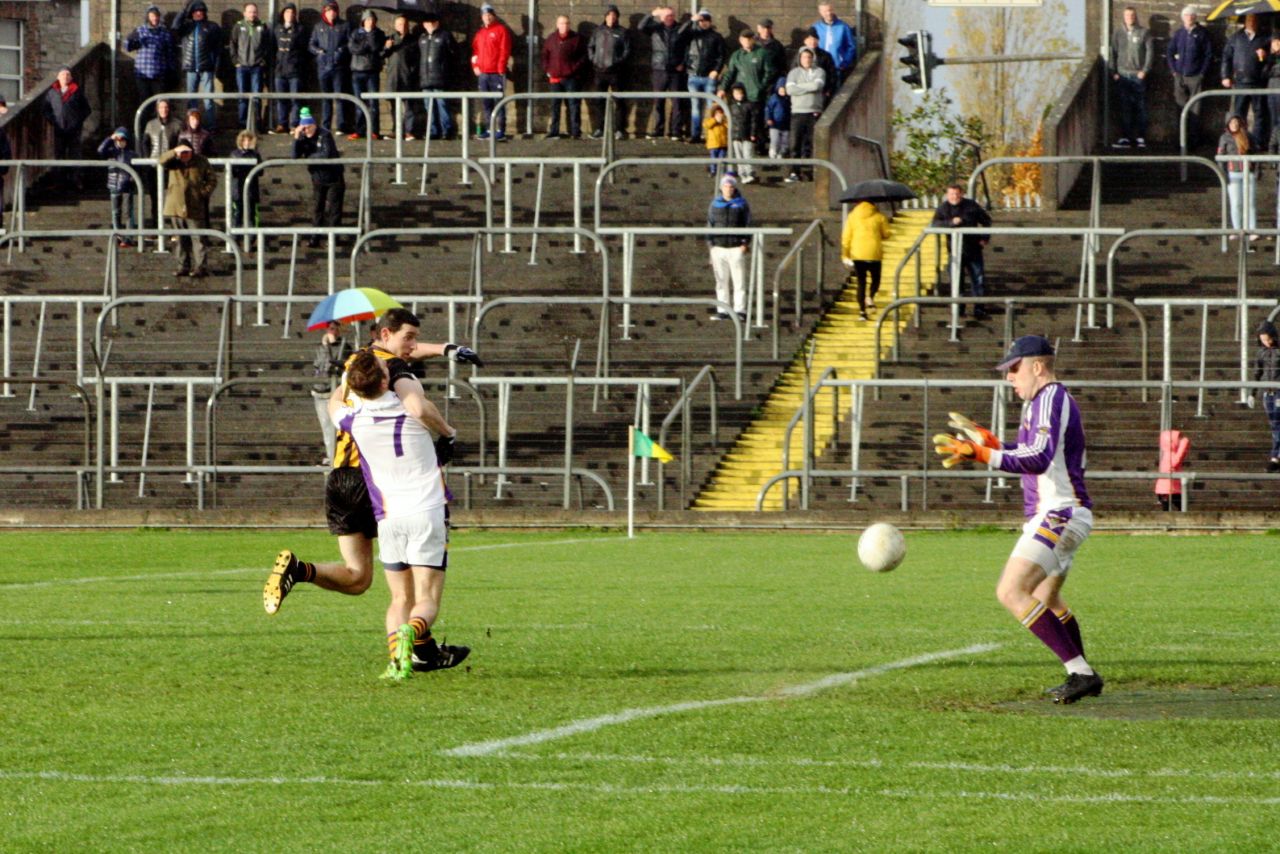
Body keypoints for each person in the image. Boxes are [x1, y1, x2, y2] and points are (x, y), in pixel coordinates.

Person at [264, 310, 482, 667]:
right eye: (408, 338)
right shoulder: (396, 380)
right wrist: (448, 433)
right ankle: (419, 645)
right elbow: (415, 404)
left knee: (358, 578)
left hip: (341, 479)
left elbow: (338, 400)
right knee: (416, 593)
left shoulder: (357, 372)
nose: (412, 347)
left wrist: (445, 348)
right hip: (383, 490)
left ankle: (300, 571)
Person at [933, 335, 1102, 705]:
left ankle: (1081, 673)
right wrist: (996, 446)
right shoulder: (1042, 403)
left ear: (1037, 367)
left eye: (1014, 368)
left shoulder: (1051, 398)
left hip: (1060, 513)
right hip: (1063, 511)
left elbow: (1038, 458)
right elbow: (1032, 452)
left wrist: (982, 454)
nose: (1009, 376)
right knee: (1046, 597)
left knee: (1011, 591)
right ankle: (1082, 673)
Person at [327, 349, 464, 680]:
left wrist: (347, 380)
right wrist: (448, 433)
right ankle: (414, 632)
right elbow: (424, 408)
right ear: (386, 379)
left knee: (399, 597)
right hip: (427, 512)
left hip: (388, 518)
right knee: (426, 599)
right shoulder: (410, 409)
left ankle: (396, 662)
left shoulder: (351, 418)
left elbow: (334, 403)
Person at [931, 184, 992, 318]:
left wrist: (985, 238)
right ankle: (959, 309)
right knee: (956, 281)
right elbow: (934, 224)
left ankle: (979, 309)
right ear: (947, 195)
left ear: (962, 194)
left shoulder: (971, 206)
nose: (954, 197)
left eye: (957, 194)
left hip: (973, 249)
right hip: (954, 251)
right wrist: (951, 222)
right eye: (952, 194)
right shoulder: (943, 208)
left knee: (978, 280)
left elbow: (986, 220)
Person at [159, 142, 217, 278]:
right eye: (182, 153)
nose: (185, 155)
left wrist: (203, 193)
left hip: (195, 204)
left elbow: (212, 179)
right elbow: (161, 160)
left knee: (198, 238)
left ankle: (200, 267)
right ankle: (182, 266)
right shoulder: (173, 161)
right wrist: (174, 151)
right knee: (179, 239)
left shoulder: (201, 161)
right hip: (175, 206)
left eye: (187, 152)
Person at [719, 29, 775, 165]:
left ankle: (760, 146)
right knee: (741, 120)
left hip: (756, 95)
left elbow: (769, 72)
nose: (747, 42)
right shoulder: (737, 55)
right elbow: (730, 73)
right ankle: (742, 146)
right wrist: (722, 88)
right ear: (740, 40)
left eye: (749, 39)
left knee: (757, 120)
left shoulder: (762, 53)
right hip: (741, 95)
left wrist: (761, 86)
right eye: (744, 39)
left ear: (753, 40)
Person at [292, 112, 344, 248]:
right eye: (303, 128)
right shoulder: (303, 137)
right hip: (317, 177)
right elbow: (294, 156)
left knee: (334, 209)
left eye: (309, 127)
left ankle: (334, 238)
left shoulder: (324, 134)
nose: (306, 130)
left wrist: (309, 158)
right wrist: (297, 138)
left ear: (314, 125)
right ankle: (315, 237)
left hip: (334, 176)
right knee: (317, 208)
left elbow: (325, 154)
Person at [706, 173, 751, 322]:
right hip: (718, 247)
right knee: (720, 281)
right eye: (726, 186)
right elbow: (710, 224)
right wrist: (710, 246)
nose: (729, 189)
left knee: (738, 281)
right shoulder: (715, 204)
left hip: (735, 246)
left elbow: (748, 223)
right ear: (721, 188)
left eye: (731, 186)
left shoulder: (741, 203)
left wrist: (745, 243)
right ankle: (723, 309)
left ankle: (740, 310)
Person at [173, 0, 223, 132]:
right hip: (190, 68)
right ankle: (191, 125)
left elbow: (218, 48)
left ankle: (211, 126)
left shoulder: (211, 27)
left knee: (208, 99)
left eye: (201, 11)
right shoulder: (187, 27)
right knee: (191, 100)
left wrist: (216, 66)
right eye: (195, 11)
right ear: (192, 13)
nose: (198, 13)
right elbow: (175, 27)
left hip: (207, 68)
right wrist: (184, 10)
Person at [1166, 5, 1212, 147]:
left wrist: (1202, 73)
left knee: (1195, 109)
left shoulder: (1202, 33)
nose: (1189, 17)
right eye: (1187, 15)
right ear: (1183, 17)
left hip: (1195, 77)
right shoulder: (1179, 33)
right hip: (1180, 76)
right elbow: (1169, 52)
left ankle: (1193, 141)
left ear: (1195, 17)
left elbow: (1208, 55)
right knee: (1180, 108)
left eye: (1192, 15)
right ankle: (1181, 141)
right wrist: (1174, 71)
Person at [1108, 6, 1152, 149]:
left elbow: (1150, 53)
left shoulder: (1144, 33)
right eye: (1127, 15)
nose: (1130, 18)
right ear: (1124, 17)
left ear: (1136, 16)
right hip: (1122, 75)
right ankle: (1126, 137)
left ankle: (1140, 137)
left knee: (1140, 107)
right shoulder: (1118, 33)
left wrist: (1144, 70)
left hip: (1138, 75)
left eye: (1132, 15)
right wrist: (1113, 72)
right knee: (1124, 107)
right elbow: (1112, 52)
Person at [126, 5, 178, 125]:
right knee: (144, 103)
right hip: (142, 74)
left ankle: (160, 127)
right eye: (152, 15)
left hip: (158, 74)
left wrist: (172, 71)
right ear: (148, 17)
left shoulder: (164, 33)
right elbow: (128, 47)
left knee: (160, 104)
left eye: (156, 16)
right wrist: (131, 39)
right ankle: (143, 129)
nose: (154, 18)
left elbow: (170, 53)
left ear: (159, 17)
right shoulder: (140, 30)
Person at [640, 6, 686, 139]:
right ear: (661, 17)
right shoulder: (655, 28)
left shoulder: (680, 29)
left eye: (671, 15)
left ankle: (676, 131)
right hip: (659, 69)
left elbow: (687, 47)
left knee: (677, 102)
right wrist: (651, 13)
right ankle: (658, 130)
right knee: (658, 102)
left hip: (675, 71)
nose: (669, 18)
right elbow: (641, 27)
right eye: (666, 16)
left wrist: (682, 63)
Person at [1221, 14, 1269, 143]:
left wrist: (1266, 56)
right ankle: (1240, 142)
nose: (1252, 22)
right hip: (1241, 81)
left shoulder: (1264, 38)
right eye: (1249, 20)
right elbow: (1226, 57)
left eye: (1254, 20)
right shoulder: (1236, 38)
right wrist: (1225, 75)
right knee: (1238, 114)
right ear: (1245, 21)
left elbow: (1273, 59)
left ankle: (1258, 142)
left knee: (1260, 114)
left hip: (1258, 81)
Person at [42, 66, 92, 190]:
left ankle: (76, 180)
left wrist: (77, 121)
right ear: (58, 77)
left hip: (74, 129)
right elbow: (46, 109)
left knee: (75, 154)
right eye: (63, 74)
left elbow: (86, 110)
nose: (65, 77)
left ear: (71, 77)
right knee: (59, 154)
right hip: (59, 128)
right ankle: (58, 181)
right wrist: (53, 121)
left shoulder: (77, 91)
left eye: (68, 75)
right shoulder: (52, 92)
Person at [680, 9, 724, 144]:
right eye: (701, 20)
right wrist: (691, 20)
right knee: (695, 107)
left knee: (711, 107)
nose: (703, 23)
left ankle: (711, 134)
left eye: (705, 20)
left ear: (710, 22)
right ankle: (695, 134)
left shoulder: (716, 37)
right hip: (693, 75)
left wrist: (716, 70)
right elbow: (680, 33)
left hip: (709, 77)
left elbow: (721, 56)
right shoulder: (691, 35)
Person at [841, 199, 890, 320]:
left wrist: (845, 255)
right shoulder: (879, 216)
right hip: (874, 253)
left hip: (857, 254)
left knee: (861, 283)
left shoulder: (852, 216)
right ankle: (871, 297)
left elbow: (846, 237)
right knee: (876, 279)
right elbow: (887, 234)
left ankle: (862, 312)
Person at [587, 5, 630, 139]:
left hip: (616, 73)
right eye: (609, 15)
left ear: (617, 17)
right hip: (599, 72)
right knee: (599, 102)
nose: (611, 18)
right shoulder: (598, 31)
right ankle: (599, 128)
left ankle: (620, 130)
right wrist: (594, 60)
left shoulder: (622, 32)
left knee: (619, 102)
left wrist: (617, 62)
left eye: (614, 15)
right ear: (605, 17)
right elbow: (590, 47)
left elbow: (627, 51)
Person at [542, 15, 587, 139]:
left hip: (571, 78)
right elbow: (545, 55)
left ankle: (575, 132)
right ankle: (554, 131)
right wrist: (547, 70)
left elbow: (583, 57)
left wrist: (573, 69)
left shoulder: (577, 38)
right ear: (557, 25)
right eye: (562, 23)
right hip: (555, 78)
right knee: (555, 105)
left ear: (570, 24)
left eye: (566, 23)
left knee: (573, 105)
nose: (564, 26)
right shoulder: (551, 39)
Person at [472, 4, 513, 140]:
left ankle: (501, 130)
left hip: (496, 73)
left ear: (493, 16)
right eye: (484, 15)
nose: (487, 17)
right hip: (483, 74)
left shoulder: (501, 30)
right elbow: (475, 52)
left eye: (489, 15)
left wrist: (501, 68)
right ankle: (490, 129)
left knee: (499, 102)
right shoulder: (480, 33)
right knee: (486, 103)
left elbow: (504, 50)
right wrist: (475, 65)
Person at [312, 320, 351, 462]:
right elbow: (322, 367)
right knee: (327, 428)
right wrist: (325, 347)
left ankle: (339, 457)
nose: (332, 331)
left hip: (338, 391)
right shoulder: (320, 348)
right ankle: (332, 457)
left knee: (339, 427)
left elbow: (344, 366)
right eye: (329, 329)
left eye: (334, 328)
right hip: (322, 391)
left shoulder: (345, 346)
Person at [784, 47, 825, 182]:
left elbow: (817, 86)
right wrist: (808, 86)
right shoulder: (794, 73)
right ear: (799, 58)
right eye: (804, 57)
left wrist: (800, 87)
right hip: (798, 112)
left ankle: (810, 172)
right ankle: (794, 172)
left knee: (811, 145)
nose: (806, 60)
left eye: (809, 57)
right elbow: (789, 90)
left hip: (814, 112)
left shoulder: (819, 71)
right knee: (795, 144)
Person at [311, 0, 351, 134]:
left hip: (339, 67)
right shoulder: (318, 27)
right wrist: (319, 52)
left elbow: (350, 44)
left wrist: (341, 51)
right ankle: (326, 125)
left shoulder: (344, 25)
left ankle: (341, 126)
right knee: (326, 98)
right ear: (324, 12)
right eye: (328, 10)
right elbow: (311, 44)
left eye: (333, 10)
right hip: (323, 67)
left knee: (339, 97)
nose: (331, 13)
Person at [231, 3, 273, 130]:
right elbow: (232, 44)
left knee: (256, 97)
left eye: (254, 12)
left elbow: (267, 45)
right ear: (244, 13)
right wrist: (235, 61)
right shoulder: (238, 26)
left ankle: (256, 124)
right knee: (242, 97)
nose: (252, 14)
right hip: (242, 66)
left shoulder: (262, 26)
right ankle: (242, 123)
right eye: (249, 12)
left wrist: (262, 61)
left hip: (257, 67)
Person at [142, 99, 183, 225]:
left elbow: (180, 144)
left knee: (171, 198)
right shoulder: (150, 124)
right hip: (153, 166)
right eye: (161, 107)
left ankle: (173, 228)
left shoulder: (177, 124)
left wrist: (174, 159)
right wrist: (147, 159)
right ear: (157, 109)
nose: (163, 110)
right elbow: (145, 143)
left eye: (166, 107)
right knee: (155, 198)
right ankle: (156, 225)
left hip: (171, 166)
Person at [418, 11, 457, 140]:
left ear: (437, 23)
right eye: (426, 22)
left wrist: (447, 70)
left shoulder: (445, 36)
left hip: (440, 76)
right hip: (425, 77)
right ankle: (432, 131)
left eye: (431, 22)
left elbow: (454, 54)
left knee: (442, 104)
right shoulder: (422, 38)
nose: (429, 25)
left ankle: (447, 130)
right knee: (428, 106)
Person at [98, 128, 139, 248]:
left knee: (128, 213)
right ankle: (118, 235)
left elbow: (138, 169)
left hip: (127, 187)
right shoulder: (111, 152)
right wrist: (110, 139)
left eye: (123, 139)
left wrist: (131, 180)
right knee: (116, 212)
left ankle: (128, 238)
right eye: (118, 139)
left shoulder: (131, 154)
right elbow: (100, 150)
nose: (120, 141)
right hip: (114, 186)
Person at [348, 9, 386, 140]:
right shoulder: (355, 33)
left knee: (373, 104)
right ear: (363, 21)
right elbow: (353, 49)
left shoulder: (379, 33)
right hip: (357, 70)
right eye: (368, 19)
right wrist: (366, 45)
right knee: (358, 103)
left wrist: (369, 38)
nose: (370, 22)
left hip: (372, 71)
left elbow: (376, 48)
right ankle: (359, 130)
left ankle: (374, 131)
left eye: (372, 20)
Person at [1219, 114, 1257, 236]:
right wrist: (1223, 173)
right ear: (1228, 125)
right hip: (1233, 173)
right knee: (1236, 203)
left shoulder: (1248, 136)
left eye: (1236, 122)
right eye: (1232, 122)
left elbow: (1255, 153)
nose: (1234, 125)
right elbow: (1220, 156)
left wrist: (1256, 170)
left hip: (1248, 172)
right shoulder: (1224, 138)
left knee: (1250, 203)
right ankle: (1236, 229)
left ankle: (1252, 230)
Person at [383, 15, 420, 139]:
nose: (402, 27)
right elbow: (381, 55)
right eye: (399, 24)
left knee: (409, 105)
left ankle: (409, 131)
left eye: (404, 24)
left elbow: (417, 59)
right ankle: (396, 130)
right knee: (394, 106)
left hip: (407, 76)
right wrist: (386, 47)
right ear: (395, 26)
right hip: (393, 76)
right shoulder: (390, 39)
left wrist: (411, 71)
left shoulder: (413, 40)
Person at [1250, 320, 1280, 471]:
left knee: (1278, 425)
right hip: (1267, 392)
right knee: (1274, 425)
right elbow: (1257, 372)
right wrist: (1252, 393)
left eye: (1268, 339)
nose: (1267, 342)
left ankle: (1275, 457)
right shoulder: (1261, 352)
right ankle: (1276, 457)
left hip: (1279, 391)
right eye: (1263, 340)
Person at [271, 3, 306, 134]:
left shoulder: (300, 29)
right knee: (281, 99)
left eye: (292, 13)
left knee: (295, 99)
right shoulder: (277, 29)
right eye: (287, 12)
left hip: (294, 70)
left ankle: (294, 124)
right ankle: (282, 124)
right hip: (280, 69)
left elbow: (303, 50)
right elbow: (273, 48)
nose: (289, 15)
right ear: (283, 14)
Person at [813, 3, 856, 89]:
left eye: (830, 10)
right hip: (819, 66)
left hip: (837, 66)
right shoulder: (816, 27)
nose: (828, 13)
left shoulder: (843, 26)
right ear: (820, 12)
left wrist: (845, 62)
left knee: (835, 93)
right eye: (825, 11)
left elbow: (851, 46)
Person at [230, 129, 262, 229]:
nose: (247, 143)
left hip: (252, 191)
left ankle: (253, 239)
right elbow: (231, 172)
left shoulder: (256, 155)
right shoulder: (234, 154)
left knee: (252, 216)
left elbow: (261, 172)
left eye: (249, 140)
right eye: (244, 140)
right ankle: (234, 239)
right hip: (238, 190)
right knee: (237, 215)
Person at [798, 27, 838, 105]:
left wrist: (828, 90)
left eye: (815, 39)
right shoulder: (798, 56)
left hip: (821, 92)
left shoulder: (825, 56)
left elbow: (832, 74)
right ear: (805, 41)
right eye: (810, 39)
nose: (812, 41)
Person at [1155, 428, 1190, 511]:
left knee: (1175, 508)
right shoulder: (1170, 456)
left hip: (1170, 488)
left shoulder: (1167, 455)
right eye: (1178, 439)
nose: (1179, 440)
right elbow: (1176, 461)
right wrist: (1184, 443)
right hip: (1169, 489)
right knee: (1181, 508)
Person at [726, 82, 754, 183]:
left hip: (746, 135)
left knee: (748, 154)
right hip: (735, 135)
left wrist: (753, 133)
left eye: (741, 93)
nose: (739, 96)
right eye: (737, 93)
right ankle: (742, 174)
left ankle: (749, 172)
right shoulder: (730, 106)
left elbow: (753, 121)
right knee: (739, 156)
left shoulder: (749, 105)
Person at [764, 75, 789, 161]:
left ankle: (781, 153)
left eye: (784, 89)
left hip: (785, 124)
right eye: (781, 89)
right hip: (775, 123)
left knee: (785, 141)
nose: (783, 91)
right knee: (775, 140)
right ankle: (773, 153)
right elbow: (768, 109)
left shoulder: (788, 99)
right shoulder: (774, 98)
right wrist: (768, 118)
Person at [703, 103, 728, 176]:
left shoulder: (724, 121)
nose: (719, 115)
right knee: (713, 158)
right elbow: (706, 125)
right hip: (713, 144)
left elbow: (729, 126)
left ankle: (722, 171)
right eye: (717, 113)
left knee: (722, 158)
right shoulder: (710, 120)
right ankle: (713, 170)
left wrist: (723, 120)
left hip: (723, 144)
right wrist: (715, 120)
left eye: (720, 113)